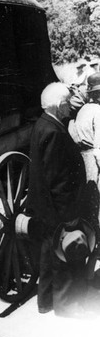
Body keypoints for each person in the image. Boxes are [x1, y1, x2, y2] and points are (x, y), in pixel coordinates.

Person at [25, 82, 89, 317]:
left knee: (47, 253)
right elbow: (58, 179)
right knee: (64, 254)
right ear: (60, 105)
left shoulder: (43, 124)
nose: (69, 108)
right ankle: (66, 306)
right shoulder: (54, 132)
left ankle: (46, 302)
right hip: (59, 207)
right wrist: (69, 217)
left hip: (45, 207)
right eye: (66, 104)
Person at [70, 73, 100, 237]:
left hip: (80, 159)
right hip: (93, 160)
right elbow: (99, 146)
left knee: (86, 201)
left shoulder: (83, 109)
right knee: (96, 203)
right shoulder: (99, 112)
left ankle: (88, 237)